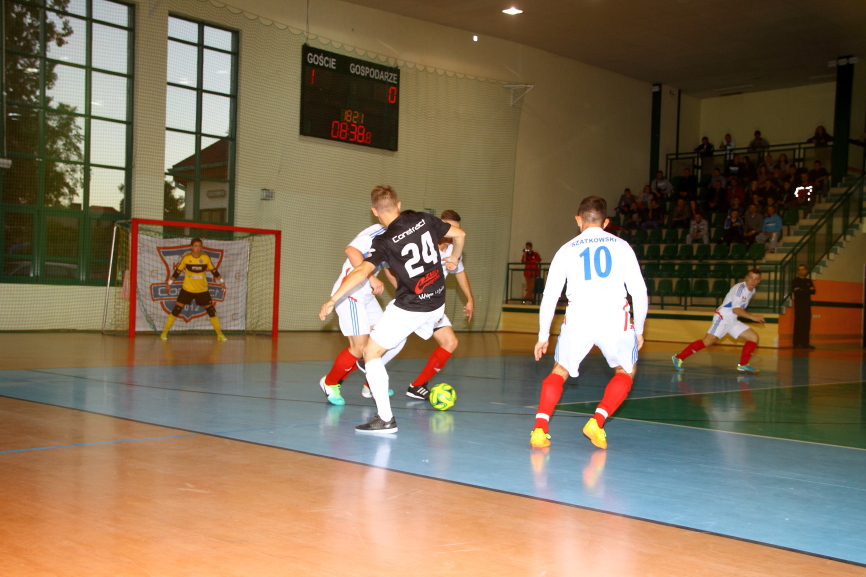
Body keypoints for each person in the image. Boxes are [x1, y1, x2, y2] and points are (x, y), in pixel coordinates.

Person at [319, 185, 466, 433]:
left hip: (412, 306)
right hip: (437, 302)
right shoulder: (423, 219)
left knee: (370, 353)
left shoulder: (384, 241)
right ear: (398, 205)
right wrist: (454, 257)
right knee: (389, 343)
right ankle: (371, 383)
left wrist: (333, 299)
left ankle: (385, 418)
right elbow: (460, 234)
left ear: (375, 212)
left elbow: (362, 270)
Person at [530, 195, 647, 450]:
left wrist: (543, 336)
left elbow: (550, 296)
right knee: (626, 370)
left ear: (578, 219)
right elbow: (639, 292)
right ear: (606, 222)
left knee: (559, 370)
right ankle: (597, 421)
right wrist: (639, 329)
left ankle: (539, 429)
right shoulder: (622, 246)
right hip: (614, 316)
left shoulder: (566, 249)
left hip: (579, 317)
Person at [317, 221, 401, 406]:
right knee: (359, 347)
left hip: (366, 296)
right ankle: (330, 382)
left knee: (388, 340)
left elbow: (388, 270)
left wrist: (406, 293)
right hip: (351, 294)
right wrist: (370, 277)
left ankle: (371, 383)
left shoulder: (396, 238)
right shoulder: (377, 232)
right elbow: (351, 251)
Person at [404, 209, 475, 398]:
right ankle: (359, 373)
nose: (452, 235)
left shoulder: (454, 249)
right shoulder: (422, 244)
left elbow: (459, 272)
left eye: (456, 230)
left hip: (431, 305)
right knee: (388, 347)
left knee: (450, 342)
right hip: (412, 303)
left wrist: (469, 299)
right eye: (449, 229)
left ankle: (417, 385)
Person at [672, 269, 765, 373]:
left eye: (756, 279)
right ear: (746, 278)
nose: (753, 281)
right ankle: (679, 358)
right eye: (751, 278)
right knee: (708, 341)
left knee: (753, 337)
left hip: (732, 319)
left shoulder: (752, 290)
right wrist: (753, 317)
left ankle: (743, 365)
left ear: (759, 281)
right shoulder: (739, 289)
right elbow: (736, 309)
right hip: (723, 317)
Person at [160, 238, 226, 341]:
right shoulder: (186, 258)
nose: (197, 248)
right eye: (195, 246)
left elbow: (213, 270)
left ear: (201, 247)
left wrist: (221, 281)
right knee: (176, 310)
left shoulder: (205, 257)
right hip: (187, 289)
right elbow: (177, 271)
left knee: (211, 311)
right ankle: (164, 333)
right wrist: (169, 284)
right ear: (191, 247)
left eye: (199, 246)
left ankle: (219, 334)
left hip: (202, 290)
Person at [792, 265, 816, 349]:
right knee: (799, 324)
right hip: (799, 306)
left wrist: (804, 289)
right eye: (799, 270)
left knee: (806, 324)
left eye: (803, 269)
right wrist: (808, 289)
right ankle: (797, 343)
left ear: (806, 271)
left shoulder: (808, 281)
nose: (801, 271)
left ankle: (805, 343)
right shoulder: (796, 281)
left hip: (807, 306)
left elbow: (813, 291)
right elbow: (798, 292)